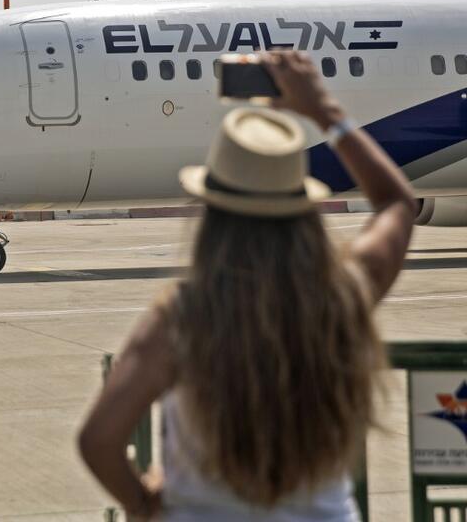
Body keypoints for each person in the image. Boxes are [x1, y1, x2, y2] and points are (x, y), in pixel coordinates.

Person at [78, 51, 416, 521]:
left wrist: (142, 503)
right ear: (301, 205)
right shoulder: (342, 297)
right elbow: (398, 204)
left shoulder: (182, 318)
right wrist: (325, 113)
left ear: (212, 210)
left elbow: (98, 440)